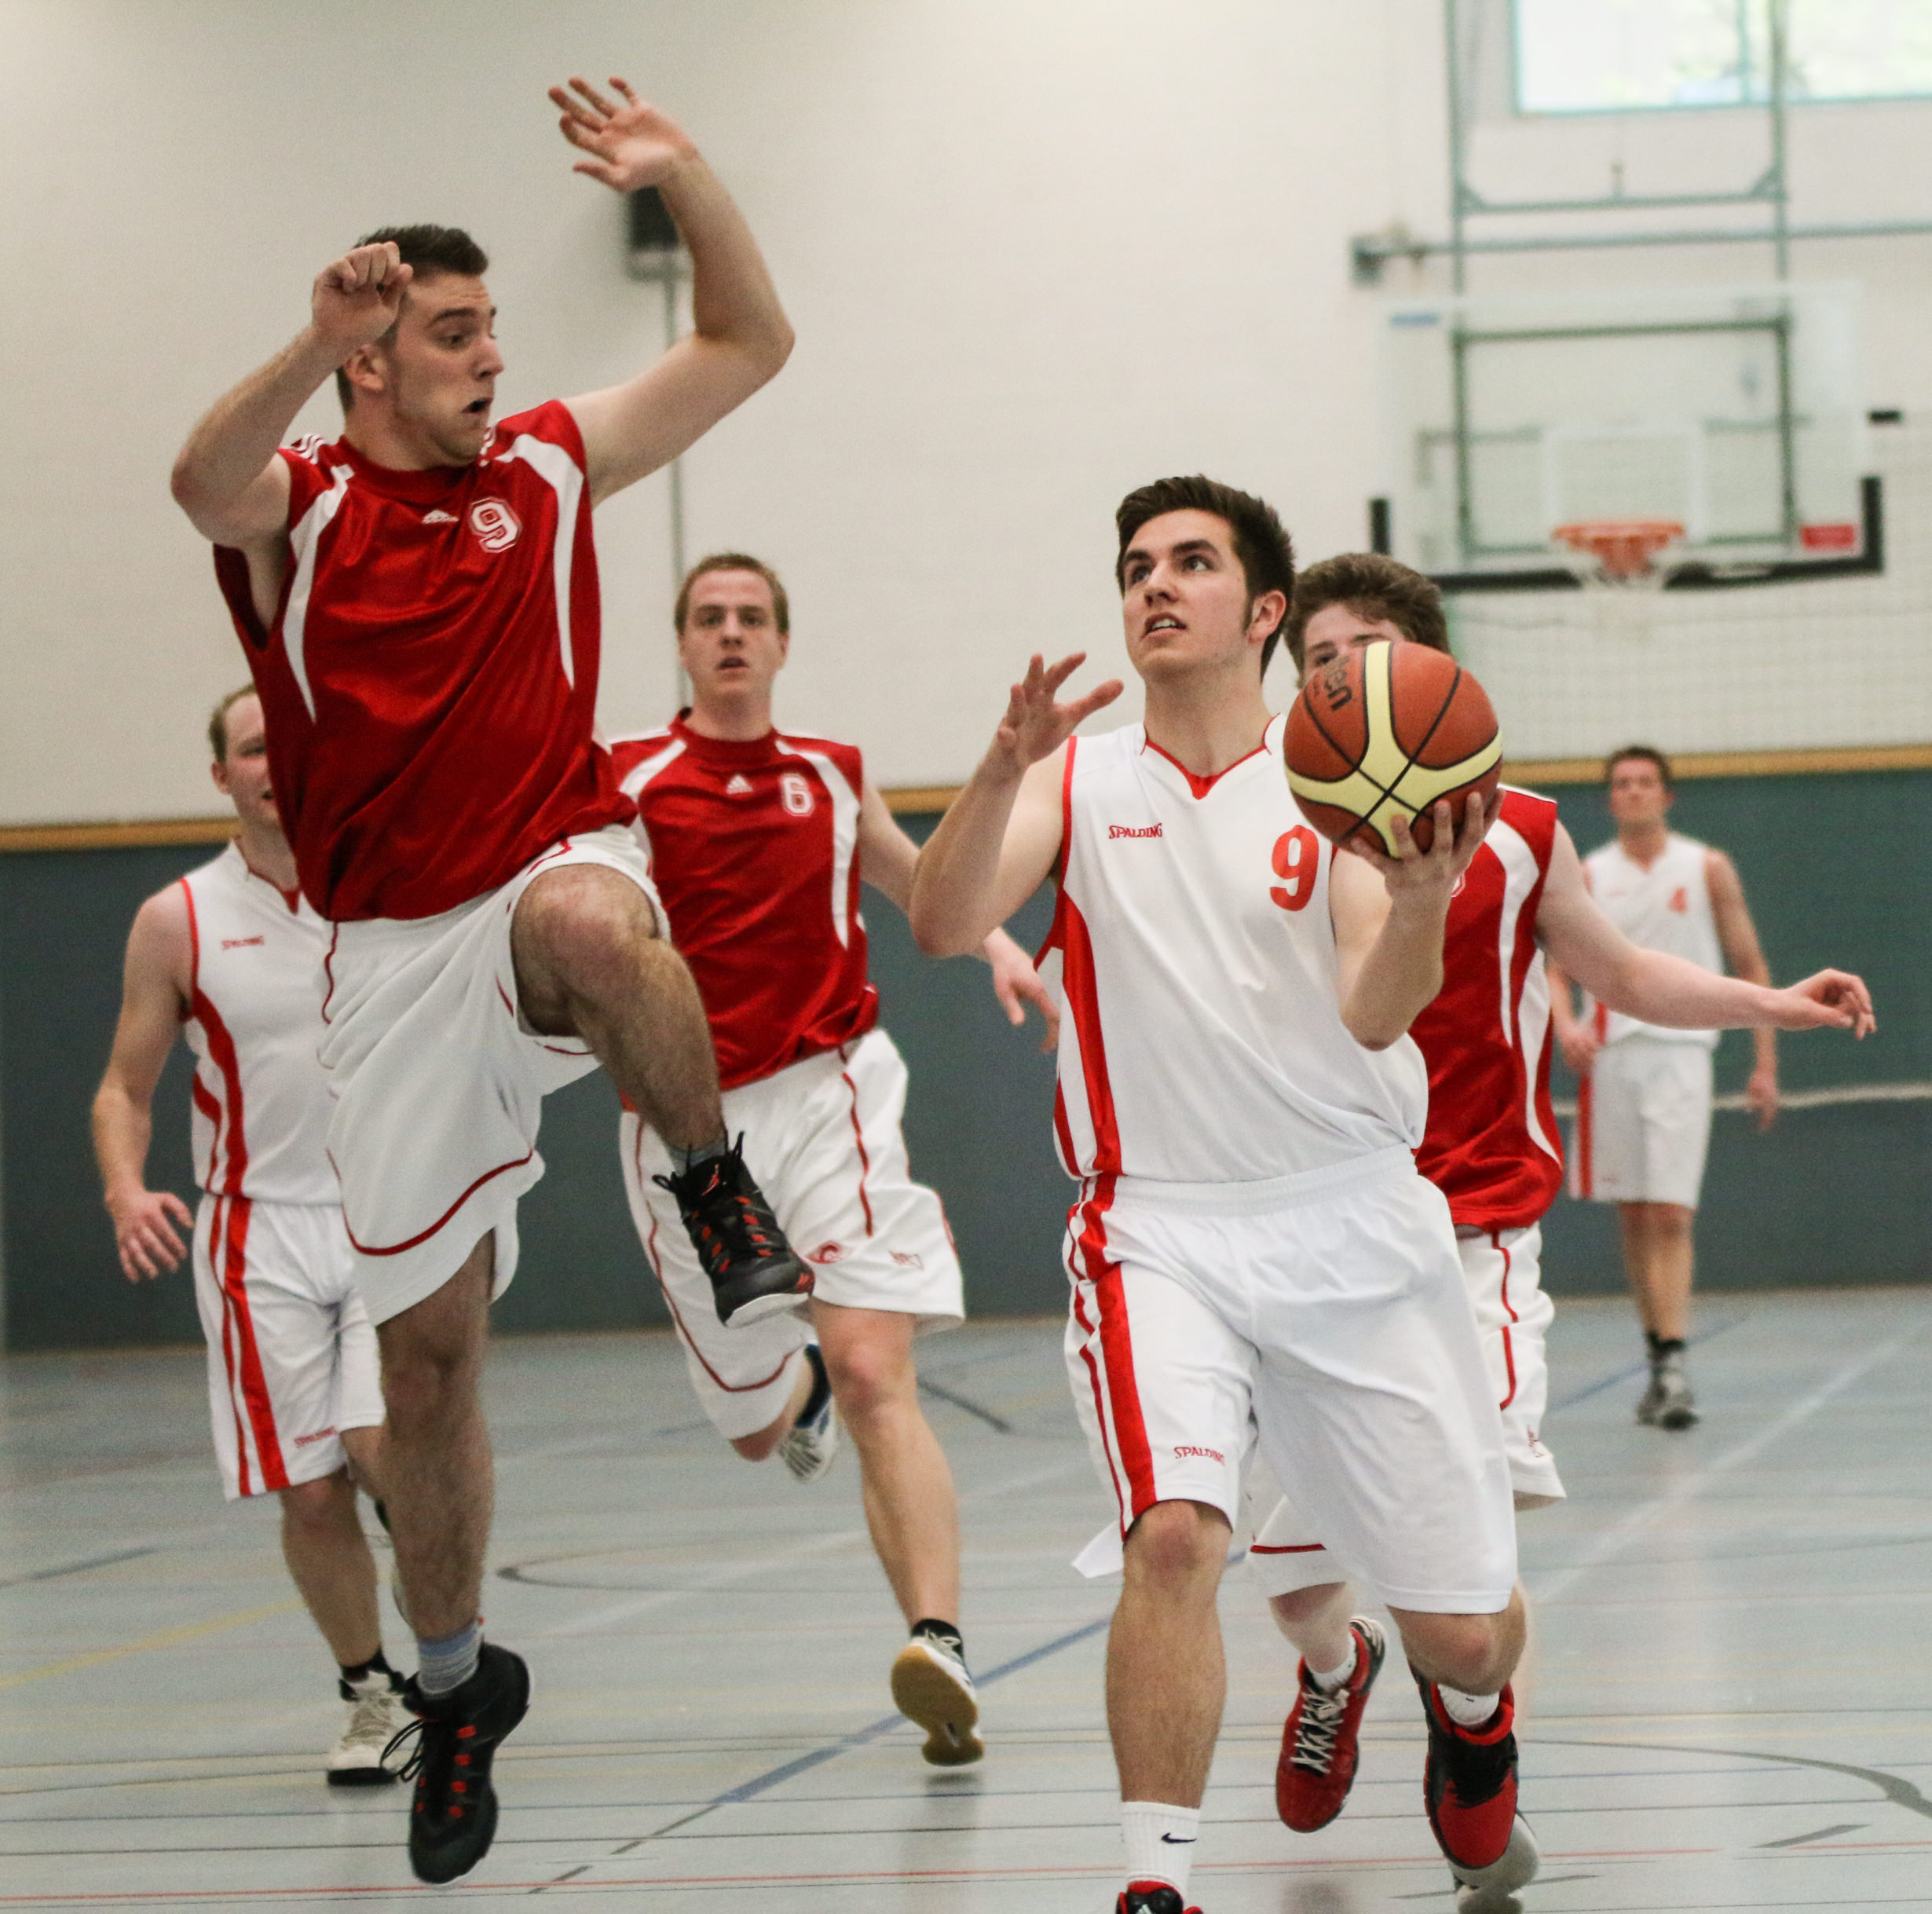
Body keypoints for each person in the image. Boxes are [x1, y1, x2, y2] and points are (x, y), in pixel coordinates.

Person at [167, 77, 800, 1884]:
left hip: (541, 870)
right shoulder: (298, 506)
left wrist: (687, 174)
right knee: (427, 1366)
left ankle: (716, 1191)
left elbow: (750, 342)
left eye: (493, 327)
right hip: (384, 958)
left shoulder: (544, 464)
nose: (491, 357)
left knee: (603, 929)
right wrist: (309, 338)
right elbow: (196, 481)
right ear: (373, 359)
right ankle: (454, 1683)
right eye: (454, 333)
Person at [909, 478, 1538, 1914]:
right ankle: (1159, 1882)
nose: (1155, 584)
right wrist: (999, 766)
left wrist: (1423, 901)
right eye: (1137, 565)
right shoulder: (1079, 779)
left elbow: (1377, 1011)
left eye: (1191, 562)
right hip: (1157, 1229)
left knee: (1465, 1631)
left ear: (1264, 612)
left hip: (1354, 1219)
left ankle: (1468, 1708)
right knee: (1176, 1533)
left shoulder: (1338, 781)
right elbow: (943, 921)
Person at [1247, 555, 1875, 1853]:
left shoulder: (1524, 830)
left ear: (1430, 674)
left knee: (1465, 1574)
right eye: (1312, 660)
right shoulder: (1262, 829)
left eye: (1357, 654)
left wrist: (1772, 1003)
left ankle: (1476, 1722)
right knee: (1298, 1590)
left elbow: (1626, 971)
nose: (1331, 679)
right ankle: (1337, 1671)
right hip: (1313, 1242)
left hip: (1472, 1236)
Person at [608, 554, 1058, 1766]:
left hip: (829, 1089)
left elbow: (919, 884)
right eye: (711, 618)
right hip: (686, 1127)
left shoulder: (829, 772)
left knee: (871, 1369)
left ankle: (938, 1642)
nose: (733, 633)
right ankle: (787, 1388)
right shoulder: (625, 781)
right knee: (759, 1429)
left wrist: (1001, 947)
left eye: (753, 617)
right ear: (683, 645)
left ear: (783, 642)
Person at [92, 686, 409, 1787]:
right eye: (253, 745)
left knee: (379, 1446)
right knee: (311, 1489)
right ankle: (372, 1694)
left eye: (291, 739)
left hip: (389, 1216)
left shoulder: (384, 885)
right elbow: (123, 1088)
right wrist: (126, 1191)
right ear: (222, 775)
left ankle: (446, 1625)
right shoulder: (178, 917)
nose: (277, 761)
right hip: (255, 1231)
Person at [1548, 745, 1785, 1430]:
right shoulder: (1589, 873)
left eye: (1645, 782)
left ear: (1667, 795)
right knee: (1634, 1212)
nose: (1634, 792)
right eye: (1622, 783)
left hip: (1682, 1053)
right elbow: (1557, 967)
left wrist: (1764, 1061)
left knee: (1673, 1213)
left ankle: (1676, 1362)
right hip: (1613, 1059)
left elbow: (1749, 962)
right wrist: (1566, 1025)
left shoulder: (1706, 866)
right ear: (1609, 799)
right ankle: (1657, 1356)